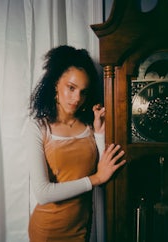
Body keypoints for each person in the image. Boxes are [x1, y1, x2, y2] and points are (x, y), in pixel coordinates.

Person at [25, 45, 126, 242]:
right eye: (71, 88)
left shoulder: (89, 125)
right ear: (56, 83)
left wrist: (99, 132)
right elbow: (43, 193)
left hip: (82, 228)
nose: (77, 98)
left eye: (83, 92)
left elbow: (105, 166)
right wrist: (96, 179)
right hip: (48, 230)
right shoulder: (39, 128)